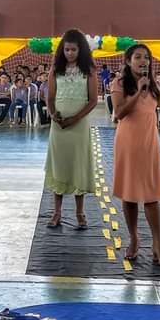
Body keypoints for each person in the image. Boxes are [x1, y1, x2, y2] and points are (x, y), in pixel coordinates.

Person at [111, 44, 160, 267]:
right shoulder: (119, 84)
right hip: (128, 143)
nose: (143, 61)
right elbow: (119, 113)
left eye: (146, 57)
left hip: (149, 143)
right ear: (128, 61)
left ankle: (158, 244)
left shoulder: (154, 85)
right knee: (129, 194)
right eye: (137, 57)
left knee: (151, 195)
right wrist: (138, 91)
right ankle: (134, 238)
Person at [44, 29, 99, 230]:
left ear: (81, 50)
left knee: (78, 164)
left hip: (79, 125)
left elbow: (93, 100)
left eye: (73, 50)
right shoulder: (55, 69)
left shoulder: (89, 70)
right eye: (66, 49)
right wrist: (53, 114)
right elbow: (50, 97)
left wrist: (75, 118)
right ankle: (56, 212)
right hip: (58, 126)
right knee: (59, 164)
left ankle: (80, 213)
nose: (69, 53)